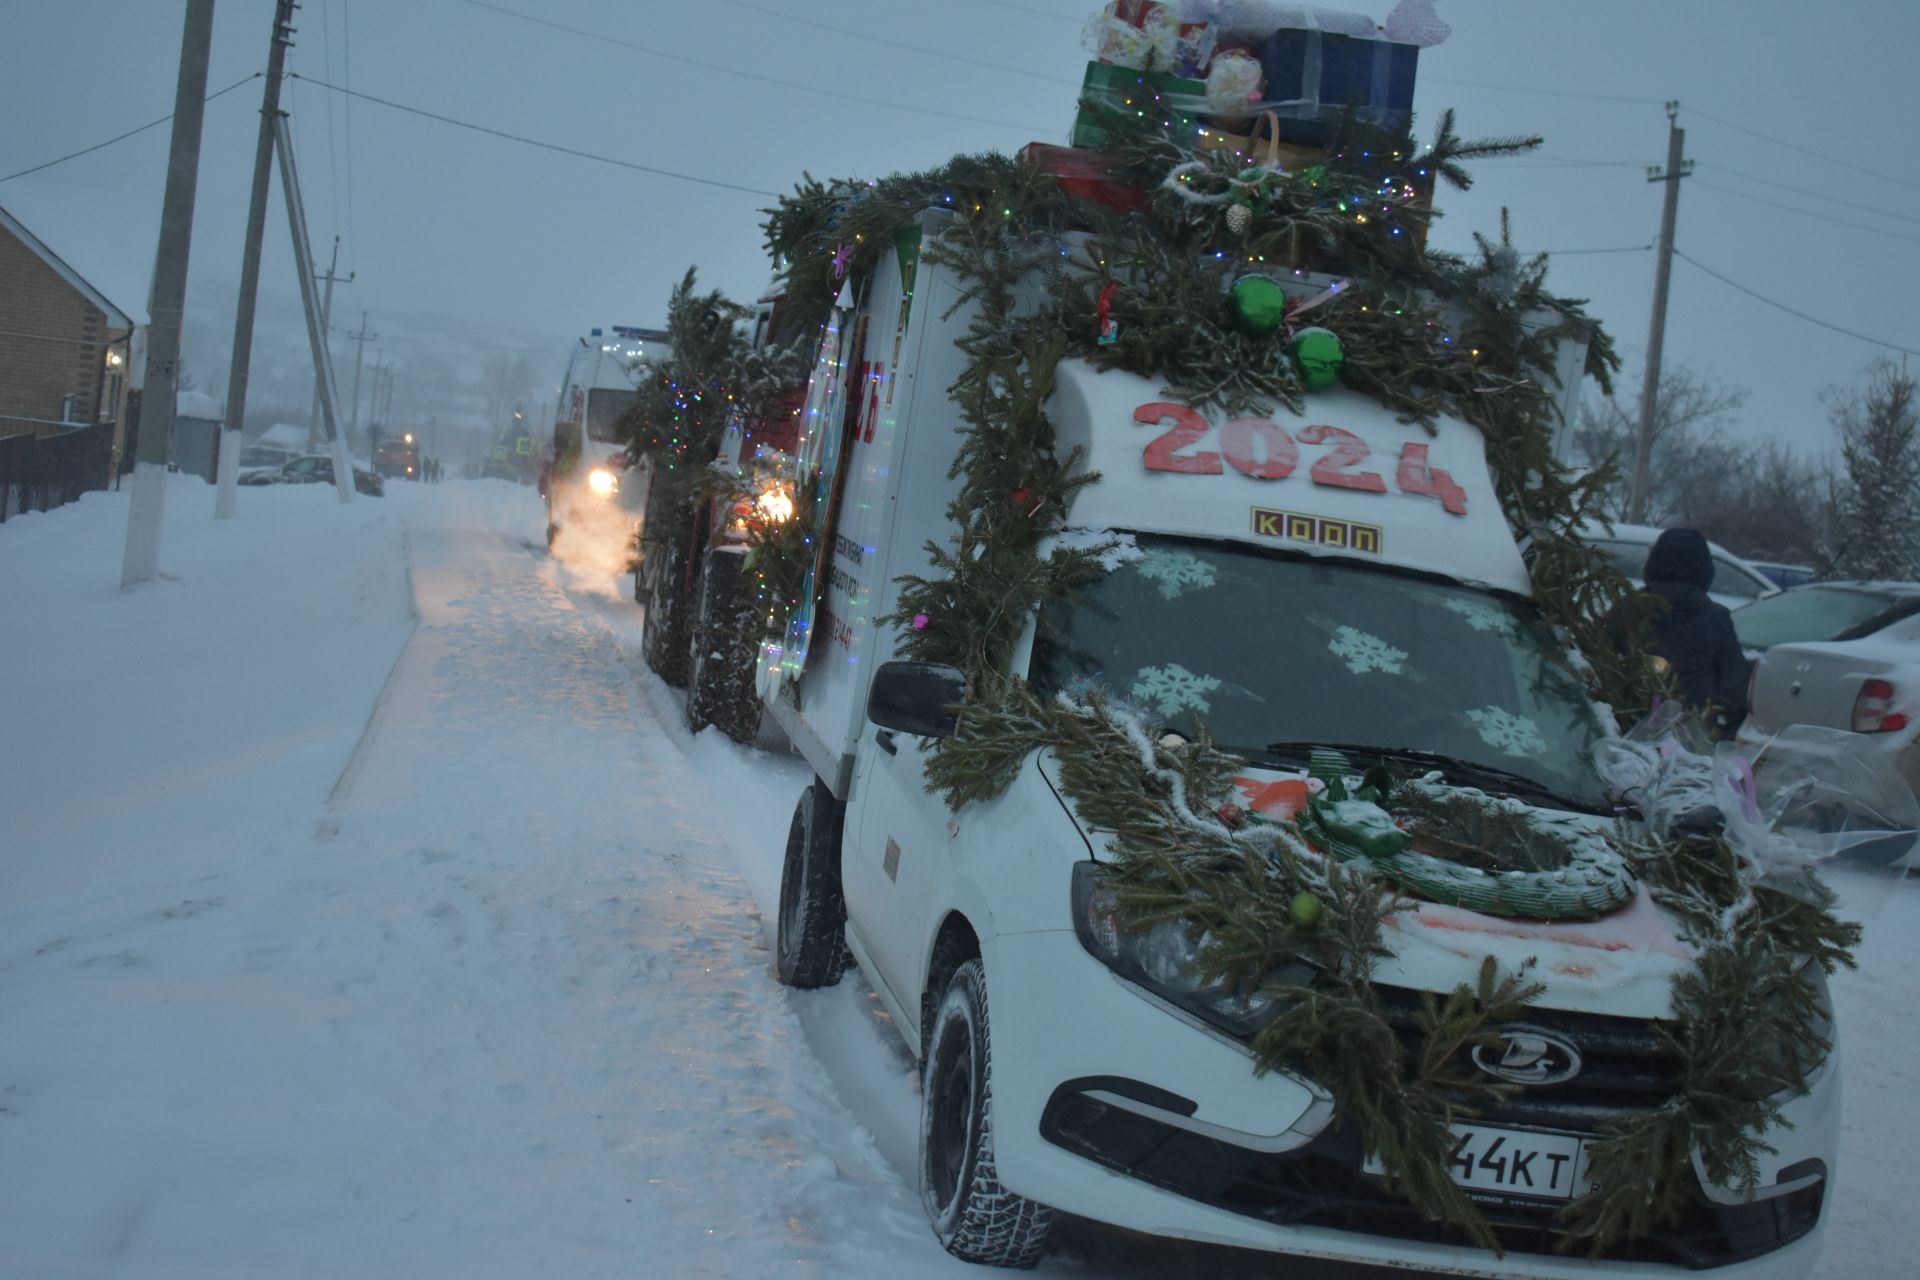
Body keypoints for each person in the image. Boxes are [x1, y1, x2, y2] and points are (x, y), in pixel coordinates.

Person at [1642, 528, 1749, 733]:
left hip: (1623, 735)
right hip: (1693, 738)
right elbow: (1734, 687)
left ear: (1653, 563)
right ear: (1705, 569)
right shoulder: (1715, 618)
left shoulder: (1628, 610)